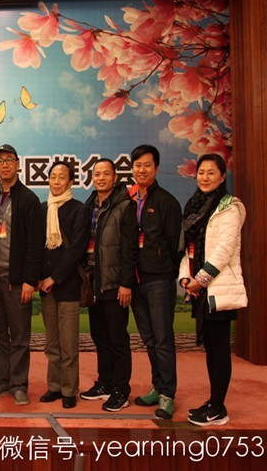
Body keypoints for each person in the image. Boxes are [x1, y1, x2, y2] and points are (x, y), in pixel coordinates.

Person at [179, 154, 247, 426]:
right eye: (201, 172)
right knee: (210, 347)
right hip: (201, 289)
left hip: (218, 287)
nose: (205, 177)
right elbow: (188, 248)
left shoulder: (230, 207)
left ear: (222, 177)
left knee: (219, 348)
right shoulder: (195, 206)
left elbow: (224, 250)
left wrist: (201, 279)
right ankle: (214, 401)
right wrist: (186, 279)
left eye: (211, 173)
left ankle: (218, 408)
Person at [0, 144, 44, 406]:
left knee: (19, 336)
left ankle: (19, 384)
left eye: (9, 159)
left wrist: (30, 280)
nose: (5, 164)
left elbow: (35, 244)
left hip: (17, 281)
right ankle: (1, 381)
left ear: (18, 164)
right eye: (0, 161)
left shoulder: (28, 199)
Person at [128, 144, 182, 419]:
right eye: (138, 165)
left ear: (157, 168)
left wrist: (164, 268)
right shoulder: (129, 199)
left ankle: (167, 394)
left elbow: (175, 245)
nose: (142, 170)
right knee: (149, 338)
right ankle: (157, 385)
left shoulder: (167, 202)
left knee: (162, 338)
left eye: (147, 165)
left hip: (159, 280)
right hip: (135, 280)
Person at [80, 158, 137, 412]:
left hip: (115, 284)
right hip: (94, 283)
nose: (101, 178)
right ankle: (104, 382)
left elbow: (130, 248)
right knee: (100, 336)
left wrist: (126, 283)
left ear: (115, 178)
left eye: (106, 174)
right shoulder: (90, 204)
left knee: (117, 339)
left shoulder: (125, 206)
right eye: (97, 174)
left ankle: (121, 389)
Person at [38, 161, 90, 409]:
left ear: (70, 182)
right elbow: (35, 246)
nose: (56, 182)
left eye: (61, 178)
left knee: (68, 344)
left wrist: (55, 278)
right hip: (45, 287)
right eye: (53, 177)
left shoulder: (79, 210)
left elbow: (76, 249)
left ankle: (69, 390)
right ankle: (54, 386)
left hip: (67, 286)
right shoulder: (42, 209)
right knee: (52, 343)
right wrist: (38, 277)